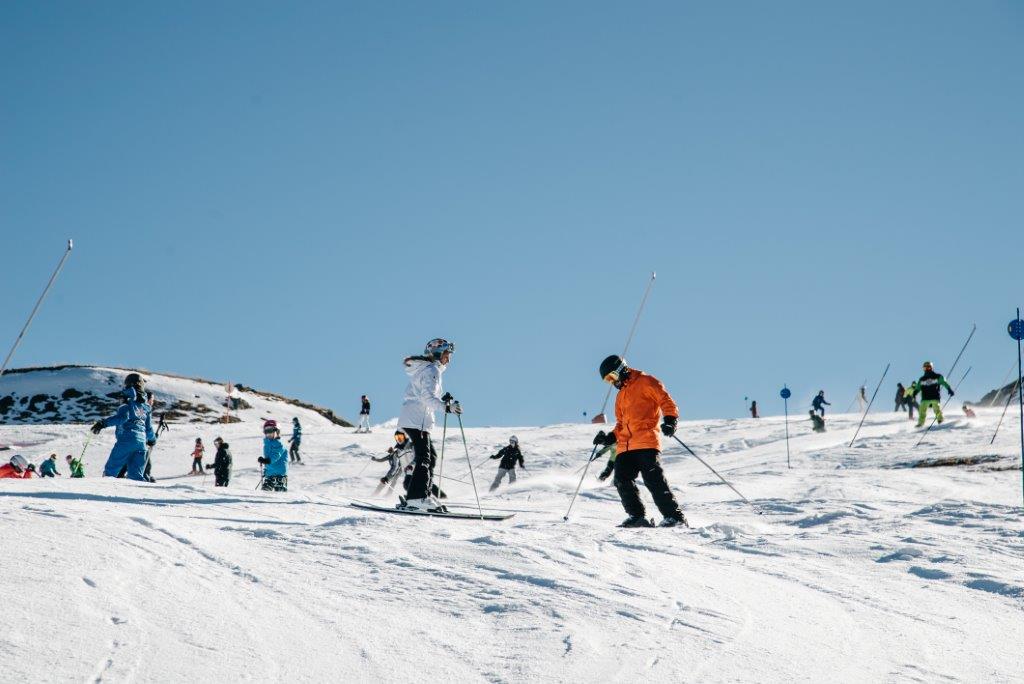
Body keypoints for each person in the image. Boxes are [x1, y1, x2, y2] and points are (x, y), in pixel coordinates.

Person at [593, 355, 688, 528]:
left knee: (653, 480)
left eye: (612, 376)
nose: (612, 382)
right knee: (621, 479)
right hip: (625, 446)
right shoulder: (620, 396)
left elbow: (666, 401)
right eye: (608, 380)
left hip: (646, 442)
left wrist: (670, 420)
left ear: (621, 369)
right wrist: (609, 438)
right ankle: (637, 517)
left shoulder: (646, 381)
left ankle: (675, 517)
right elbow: (621, 424)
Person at [397, 338, 458, 512]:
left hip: (415, 419)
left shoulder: (428, 369)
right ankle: (417, 498)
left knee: (430, 456)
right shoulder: (432, 370)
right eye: (447, 354)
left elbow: (428, 395)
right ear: (439, 354)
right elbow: (427, 398)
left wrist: (443, 401)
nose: (449, 358)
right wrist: (447, 407)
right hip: (417, 420)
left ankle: (421, 494)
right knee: (424, 457)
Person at [91, 373, 156, 481]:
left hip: (126, 440)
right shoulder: (146, 406)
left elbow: (122, 418)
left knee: (111, 470)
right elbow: (148, 428)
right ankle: (137, 496)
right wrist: (152, 439)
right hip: (141, 444)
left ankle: (103, 490)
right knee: (136, 475)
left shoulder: (127, 402)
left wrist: (102, 423)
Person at [906, 361, 954, 428]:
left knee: (936, 408)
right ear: (923, 369)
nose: (927, 369)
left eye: (928, 367)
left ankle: (940, 419)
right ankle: (920, 423)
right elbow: (918, 387)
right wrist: (914, 393)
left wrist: (949, 389)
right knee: (922, 410)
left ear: (931, 368)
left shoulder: (937, 376)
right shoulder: (922, 379)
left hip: (934, 396)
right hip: (925, 398)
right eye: (925, 368)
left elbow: (944, 382)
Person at [372, 430, 413, 495]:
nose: (399, 439)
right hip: (400, 468)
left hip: (409, 468)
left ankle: (388, 494)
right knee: (390, 479)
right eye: (397, 438)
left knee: (395, 480)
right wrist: (376, 459)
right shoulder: (396, 450)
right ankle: (377, 494)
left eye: (400, 437)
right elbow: (385, 459)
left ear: (404, 437)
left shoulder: (411, 445)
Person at [258, 420, 289, 492]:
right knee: (265, 491)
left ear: (277, 431)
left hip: (280, 474)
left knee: (279, 493)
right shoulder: (266, 445)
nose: (268, 434)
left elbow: (276, 455)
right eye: (266, 432)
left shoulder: (279, 444)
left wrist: (267, 460)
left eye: (270, 431)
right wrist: (266, 468)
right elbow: (267, 458)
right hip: (270, 473)